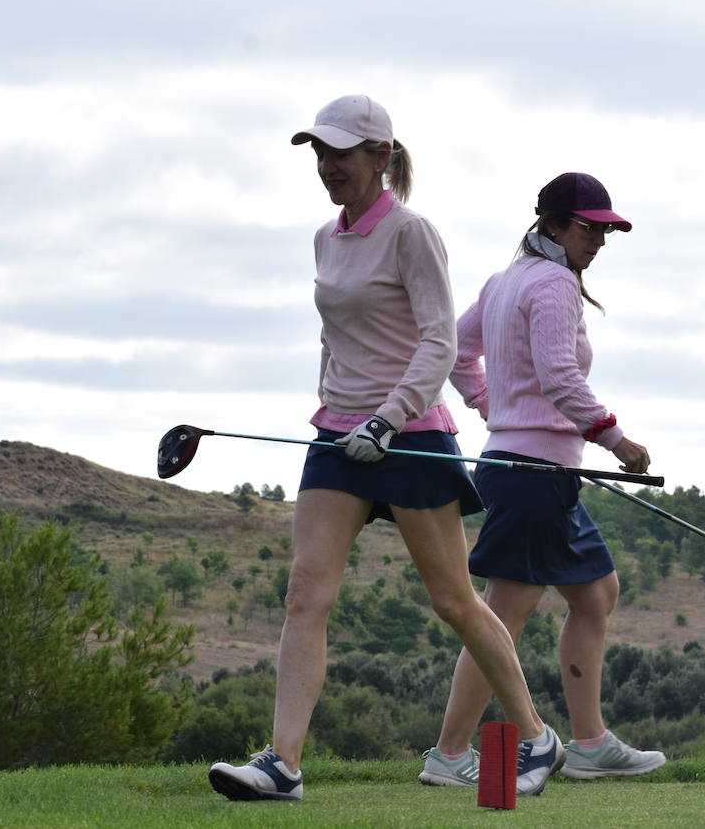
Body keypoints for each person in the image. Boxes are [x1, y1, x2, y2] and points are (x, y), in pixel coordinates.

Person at [209, 96, 564, 801]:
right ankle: (283, 764)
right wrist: (341, 413)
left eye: (340, 153)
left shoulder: (412, 233)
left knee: (453, 599)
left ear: (382, 157)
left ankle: (535, 737)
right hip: (337, 431)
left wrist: (390, 417)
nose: (326, 165)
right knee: (305, 593)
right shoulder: (325, 238)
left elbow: (438, 338)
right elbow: (334, 336)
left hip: (411, 434)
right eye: (318, 152)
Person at [419, 171, 666, 789]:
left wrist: (487, 401)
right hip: (531, 472)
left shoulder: (508, 282)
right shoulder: (552, 282)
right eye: (589, 229)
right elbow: (558, 376)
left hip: (538, 470)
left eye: (606, 232)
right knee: (502, 618)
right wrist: (616, 439)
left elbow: (454, 347)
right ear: (551, 225)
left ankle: (588, 745)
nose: (599, 242)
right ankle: (448, 755)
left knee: (596, 593)